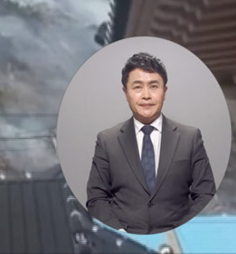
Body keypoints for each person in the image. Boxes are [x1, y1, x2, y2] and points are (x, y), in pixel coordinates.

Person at [85, 52, 215, 234]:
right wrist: (119, 231)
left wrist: (181, 230)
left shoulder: (190, 138)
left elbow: (205, 194)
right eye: (137, 87)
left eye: (154, 86)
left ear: (165, 91)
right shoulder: (107, 141)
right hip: (127, 240)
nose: (146, 95)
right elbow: (96, 197)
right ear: (125, 92)